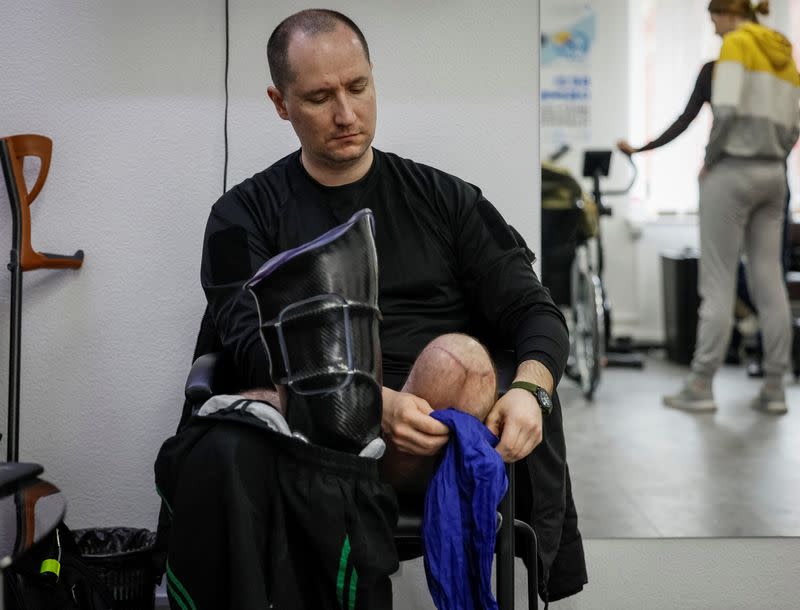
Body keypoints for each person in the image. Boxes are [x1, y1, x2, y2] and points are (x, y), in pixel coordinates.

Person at [181, 7, 587, 605]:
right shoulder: (242, 216)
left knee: (462, 361)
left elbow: (536, 311)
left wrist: (533, 391)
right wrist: (370, 407)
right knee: (227, 442)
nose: (346, 114)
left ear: (373, 78)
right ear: (279, 102)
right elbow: (249, 350)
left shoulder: (446, 200)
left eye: (358, 87)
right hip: (304, 436)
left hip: (433, 436)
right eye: (319, 97)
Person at [662, 0, 799, 414]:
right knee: (769, 280)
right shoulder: (784, 53)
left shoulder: (738, 44)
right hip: (775, 174)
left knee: (717, 281)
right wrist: (774, 154)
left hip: (733, 170)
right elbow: (794, 126)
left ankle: (701, 384)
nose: (715, 30)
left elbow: (724, 109)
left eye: (713, 20)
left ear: (727, 14)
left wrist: (712, 157)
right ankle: (775, 387)